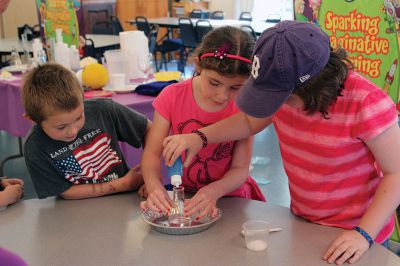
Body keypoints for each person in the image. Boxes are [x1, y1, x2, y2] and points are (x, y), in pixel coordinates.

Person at [162, 21, 400, 264]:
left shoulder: (366, 102)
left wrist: (363, 234)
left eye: (281, 98)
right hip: (304, 221)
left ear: (311, 88)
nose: (275, 106)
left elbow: (396, 173)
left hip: (359, 232)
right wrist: (200, 137)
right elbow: (248, 122)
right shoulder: (282, 93)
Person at [141, 26, 265, 218]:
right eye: (214, 83)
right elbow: (151, 155)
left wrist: (212, 192)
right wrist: (154, 188)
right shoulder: (172, 96)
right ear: (198, 65)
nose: (222, 96)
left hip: (230, 199)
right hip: (188, 195)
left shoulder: (245, 106)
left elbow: (240, 169)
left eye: (236, 87)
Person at [22, 63, 151, 199]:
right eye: (61, 127)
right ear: (33, 119)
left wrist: (150, 175)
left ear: (84, 98)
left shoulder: (103, 110)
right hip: (76, 210)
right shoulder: (35, 146)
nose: (73, 131)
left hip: (125, 200)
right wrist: (123, 184)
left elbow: (150, 129)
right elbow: (66, 192)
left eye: (79, 117)